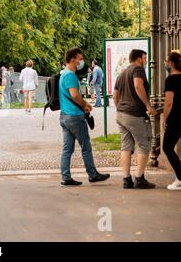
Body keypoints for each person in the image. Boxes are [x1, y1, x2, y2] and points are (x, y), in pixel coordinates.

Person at [59, 48, 110, 186]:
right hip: (75, 117)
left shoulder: (63, 74)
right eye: (80, 58)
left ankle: (65, 177)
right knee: (85, 147)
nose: (81, 61)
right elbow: (74, 95)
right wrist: (86, 104)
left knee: (67, 149)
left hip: (64, 116)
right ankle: (92, 174)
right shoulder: (70, 75)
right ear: (73, 59)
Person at [113, 49, 156, 189]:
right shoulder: (138, 69)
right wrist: (148, 106)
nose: (145, 61)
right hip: (135, 114)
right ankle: (139, 179)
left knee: (126, 146)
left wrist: (120, 108)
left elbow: (115, 96)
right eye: (145, 58)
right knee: (144, 144)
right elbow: (138, 86)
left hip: (121, 114)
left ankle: (126, 179)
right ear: (138, 58)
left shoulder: (122, 73)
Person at [162, 51, 181, 190]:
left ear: (171, 62)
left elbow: (169, 102)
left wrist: (164, 118)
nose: (166, 64)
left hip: (175, 118)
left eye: (167, 61)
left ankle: (180, 178)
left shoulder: (171, 80)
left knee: (167, 147)